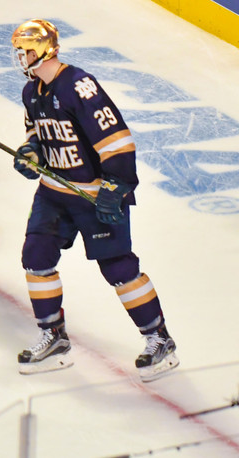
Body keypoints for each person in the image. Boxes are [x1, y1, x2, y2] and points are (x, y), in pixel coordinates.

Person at [10, 19, 178, 381]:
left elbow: (117, 139)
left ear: (41, 50)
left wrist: (117, 186)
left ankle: (159, 339)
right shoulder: (31, 92)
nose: (19, 57)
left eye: (24, 51)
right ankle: (54, 337)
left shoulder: (79, 86)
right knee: (36, 257)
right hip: (54, 194)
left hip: (94, 195)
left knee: (118, 268)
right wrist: (31, 154)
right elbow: (37, 135)